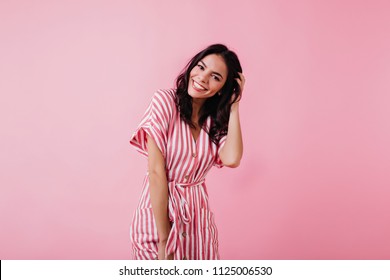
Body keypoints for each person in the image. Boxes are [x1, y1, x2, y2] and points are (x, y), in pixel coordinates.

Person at [129, 44, 244, 260]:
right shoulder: (164, 102)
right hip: (156, 222)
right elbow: (155, 171)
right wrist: (165, 238)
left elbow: (232, 159)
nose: (202, 78)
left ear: (223, 88)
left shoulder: (215, 122)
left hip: (198, 227)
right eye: (200, 67)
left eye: (215, 76)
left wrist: (235, 105)